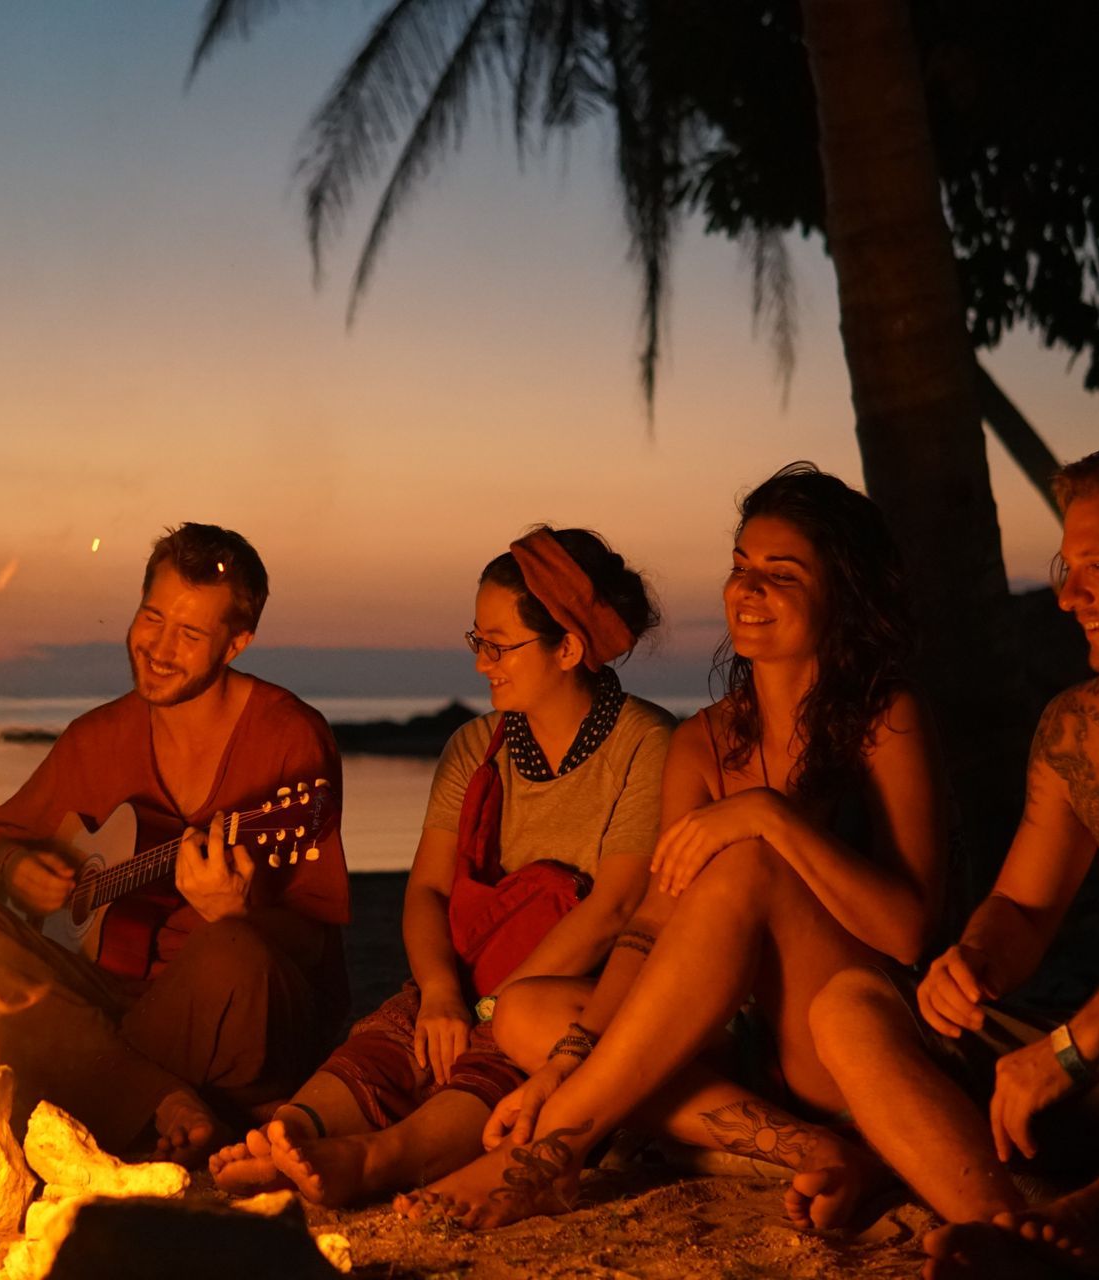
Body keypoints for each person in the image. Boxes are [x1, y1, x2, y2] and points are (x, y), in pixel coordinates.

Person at [403, 463, 949, 1230]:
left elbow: (908, 930)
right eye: (740, 567)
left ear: (842, 593)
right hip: (734, 1039)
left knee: (750, 862)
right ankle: (814, 1149)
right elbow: (651, 925)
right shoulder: (701, 741)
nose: (748, 591)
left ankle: (556, 1149)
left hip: (839, 1037)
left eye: (780, 573)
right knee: (525, 1015)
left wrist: (770, 817)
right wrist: (568, 1058)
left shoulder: (883, 721)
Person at [809, 435, 1099, 1278]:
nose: (1069, 597)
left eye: (1096, 566)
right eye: (1065, 567)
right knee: (849, 1004)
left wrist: (1068, 1050)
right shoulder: (1076, 728)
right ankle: (1013, 1228)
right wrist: (975, 958)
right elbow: (1021, 907)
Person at [208, 527, 676, 1206]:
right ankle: (293, 1132)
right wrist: (438, 992)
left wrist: (490, 1006)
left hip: (568, 993)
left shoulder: (646, 745)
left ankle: (377, 1160)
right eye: (475, 641)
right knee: (395, 1035)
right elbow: (426, 889)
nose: (482, 662)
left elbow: (615, 907)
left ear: (568, 648)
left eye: (499, 645)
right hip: (473, 974)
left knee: (490, 1059)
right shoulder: (474, 746)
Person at [0, 522, 349, 1163]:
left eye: (189, 634)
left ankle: (100, 1095)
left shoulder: (288, 739)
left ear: (236, 643)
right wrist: (16, 867)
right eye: (151, 617)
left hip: (210, 1016)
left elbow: (318, 939)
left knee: (235, 955)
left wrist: (238, 915)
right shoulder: (97, 735)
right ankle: (155, 1099)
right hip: (99, 1005)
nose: (159, 648)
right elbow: (0, 843)